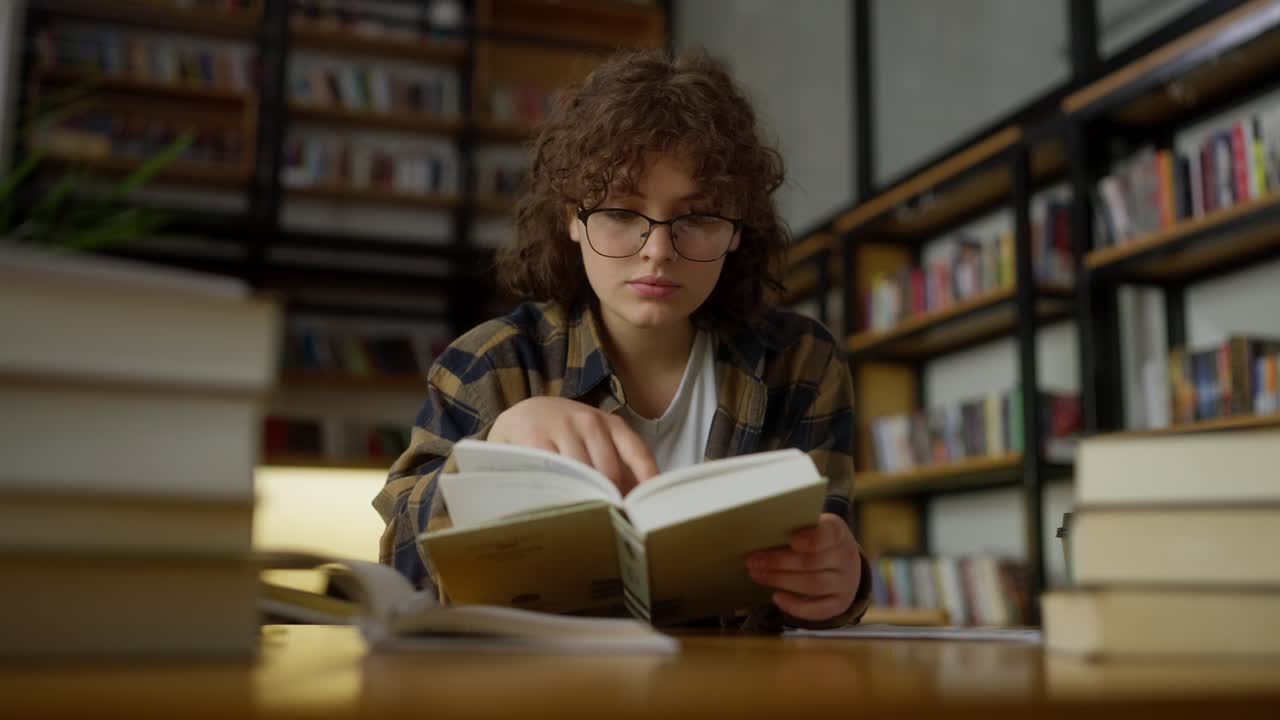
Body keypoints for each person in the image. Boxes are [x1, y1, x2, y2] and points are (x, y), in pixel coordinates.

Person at [374, 48, 871, 630]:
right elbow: (397, 578)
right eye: (619, 212)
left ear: (738, 231)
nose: (657, 250)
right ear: (572, 218)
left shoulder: (801, 363)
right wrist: (488, 451)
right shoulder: (489, 364)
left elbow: (819, 589)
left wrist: (843, 581)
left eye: (699, 217)